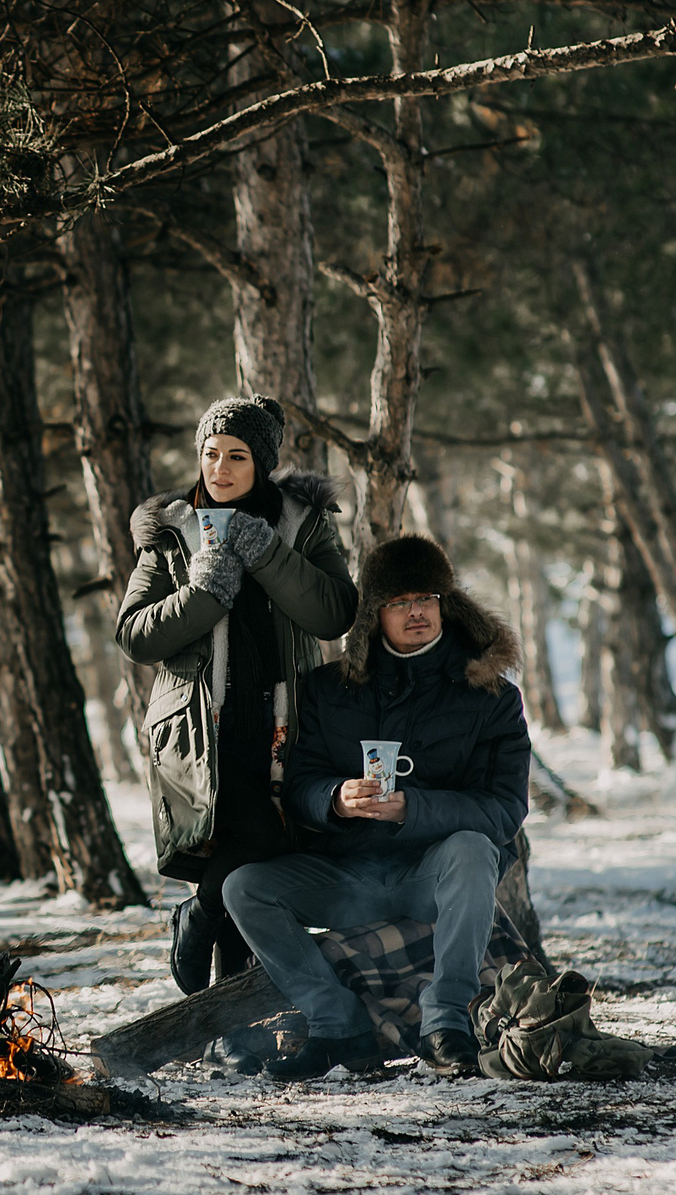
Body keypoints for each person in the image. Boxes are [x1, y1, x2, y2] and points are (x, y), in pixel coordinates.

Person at [221, 533, 529, 1080]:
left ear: (446, 603)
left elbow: (505, 809)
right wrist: (335, 800)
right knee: (245, 888)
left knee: (473, 849)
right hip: (347, 873)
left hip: (432, 873)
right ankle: (337, 1025)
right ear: (373, 613)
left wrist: (415, 809)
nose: (418, 612)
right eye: (400, 602)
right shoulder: (328, 689)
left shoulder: (490, 696)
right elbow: (300, 784)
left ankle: (446, 1021)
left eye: (429, 599)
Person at [116, 396, 358, 996]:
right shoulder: (170, 530)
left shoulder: (302, 521)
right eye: (210, 454)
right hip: (199, 729)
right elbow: (135, 635)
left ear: (263, 464)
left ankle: (209, 955)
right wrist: (204, 593)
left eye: (237, 457)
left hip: (285, 724)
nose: (219, 468)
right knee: (249, 841)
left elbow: (334, 614)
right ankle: (203, 949)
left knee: (261, 856)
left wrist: (266, 554)